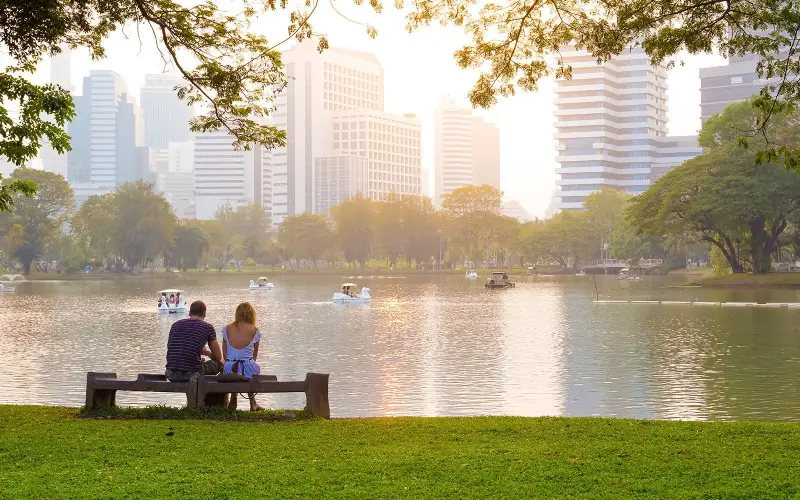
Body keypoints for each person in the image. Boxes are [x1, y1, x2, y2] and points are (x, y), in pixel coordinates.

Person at [165, 301, 224, 381]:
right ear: (204, 314)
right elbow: (218, 357)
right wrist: (207, 353)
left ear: (189, 313)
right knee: (219, 364)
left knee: (198, 363)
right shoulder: (207, 327)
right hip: (192, 375)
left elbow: (171, 348)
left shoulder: (175, 325)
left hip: (170, 374)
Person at [221, 302, 263, 411]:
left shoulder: (226, 329)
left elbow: (225, 355)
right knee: (251, 366)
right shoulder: (255, 331)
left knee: (235, 366)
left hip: (230, 368)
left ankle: (233, 398)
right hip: (248, 370)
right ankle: (252, 402)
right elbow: (254, 357)